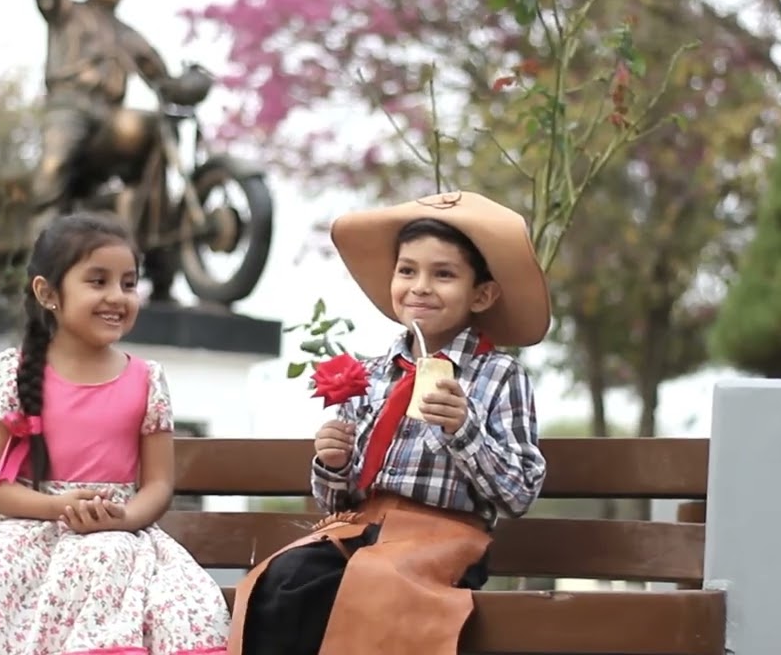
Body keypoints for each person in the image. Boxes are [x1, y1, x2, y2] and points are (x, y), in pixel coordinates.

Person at [0, 213, 230, 655]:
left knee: (115, 563)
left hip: (116, 533)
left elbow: (158, 484)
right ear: (48, 293)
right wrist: (58, 506)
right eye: (98, 281)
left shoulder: (147, 380)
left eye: (128, 284)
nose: (117, 297)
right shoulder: (10, 375)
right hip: (29, 525)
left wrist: (125, 518)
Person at [228, 191, 551, 655]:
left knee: (375, 586)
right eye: (407, 271)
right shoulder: (375, 373)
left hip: (446, 539)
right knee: (283, 581)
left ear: (481, 293)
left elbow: (519, 493)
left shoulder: (498, 376)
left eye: (443, 274)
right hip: (362, 530)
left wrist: (465, 430)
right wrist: (334, 462)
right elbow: (335, 501)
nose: (420, 286)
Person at [21, 0, 178, 299]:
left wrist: (189, 82)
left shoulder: (127, 34)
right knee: (52, 169)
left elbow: (161, 76)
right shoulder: (66, 11)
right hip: (69, 107)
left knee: (148, 156)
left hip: (109, 116)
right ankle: (39, 264)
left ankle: (157, 258)